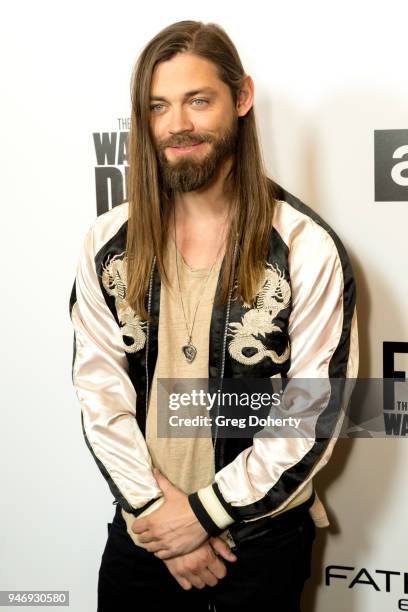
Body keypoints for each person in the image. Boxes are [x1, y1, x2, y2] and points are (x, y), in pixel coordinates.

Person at [69, 19, 359, 612]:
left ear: (242, 97)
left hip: (258, 542)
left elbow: (312, 411)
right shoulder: (106, 242)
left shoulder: (305, 245)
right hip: (142, 535)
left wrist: (202, 515)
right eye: (159, 107)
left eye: (198, 100)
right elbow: (99, 393)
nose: (178, 124)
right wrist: (159, 517)